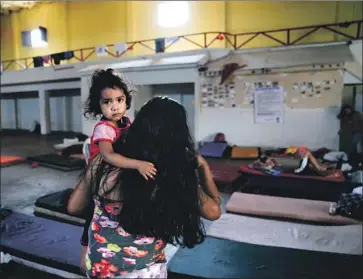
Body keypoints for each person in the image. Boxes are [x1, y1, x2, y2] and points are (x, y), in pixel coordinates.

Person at [67, 97, 221, 278]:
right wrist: (203, 167)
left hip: (101, 268)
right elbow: (214, 212)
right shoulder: (173, 173)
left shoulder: (104, 159)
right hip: (146, 271)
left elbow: (74, 207)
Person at [80, 68, 157, 272]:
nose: (114, 106)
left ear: (126, 101)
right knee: (91, 214)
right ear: (98, 105)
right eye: (107, 102)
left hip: (117, 176)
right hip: (100, 177)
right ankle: (85, 251)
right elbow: (109, 156)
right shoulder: (103, 128)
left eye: (119, 100)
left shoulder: (126, 123)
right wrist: (138, 164)